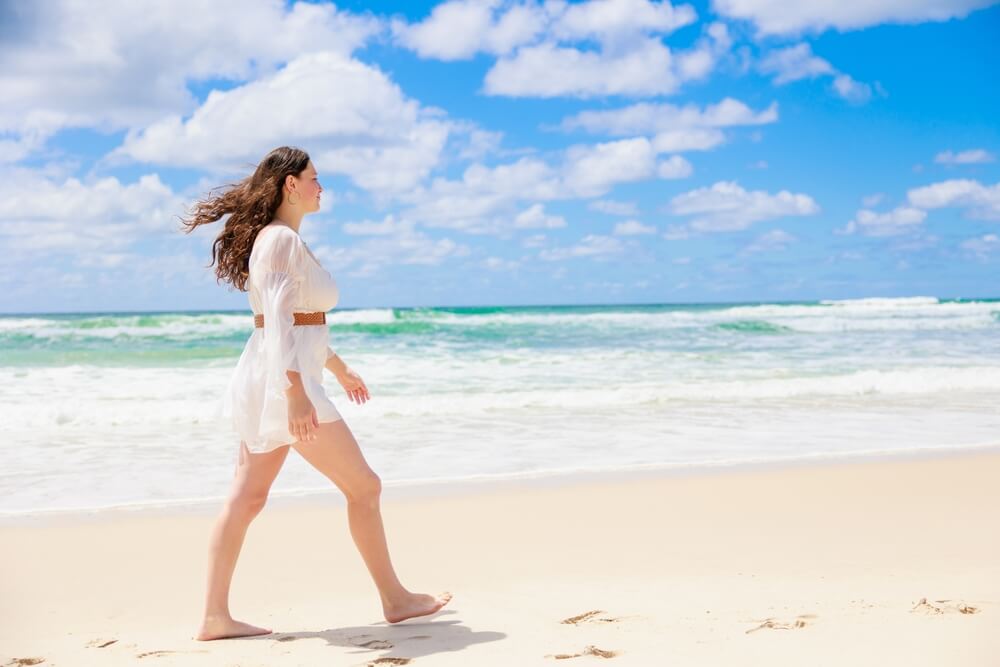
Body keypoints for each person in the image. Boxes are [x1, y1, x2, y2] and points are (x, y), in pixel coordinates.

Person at [180, 146, 452, 641]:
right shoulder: (281, 240)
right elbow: (279, 324)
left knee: (247, 498)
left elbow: (299, 323)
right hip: (285, 384)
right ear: (291, 185)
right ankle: (395, 599)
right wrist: (295, 394)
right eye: (314, 178)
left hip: (274, 377)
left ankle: (215, 616)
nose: (320, 187)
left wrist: (338, 367)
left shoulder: (280, 239)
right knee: (364, 487)